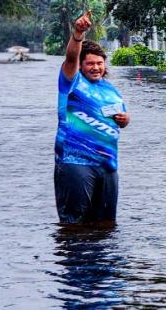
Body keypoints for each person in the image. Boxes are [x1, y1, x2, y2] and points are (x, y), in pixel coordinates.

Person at [55, 11, 130, 224]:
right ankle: (76, 258)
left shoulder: (111, 90)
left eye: (100, 63)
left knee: (107, 225)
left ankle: (102, 259)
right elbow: (71, 57)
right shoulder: (72, 81)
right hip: (75, 162)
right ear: (81, 65)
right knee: (74, 224)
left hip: (107, 165)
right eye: (90, 63)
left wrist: (125, 120)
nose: (96, 67)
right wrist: (78, 33)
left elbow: (121, 118)